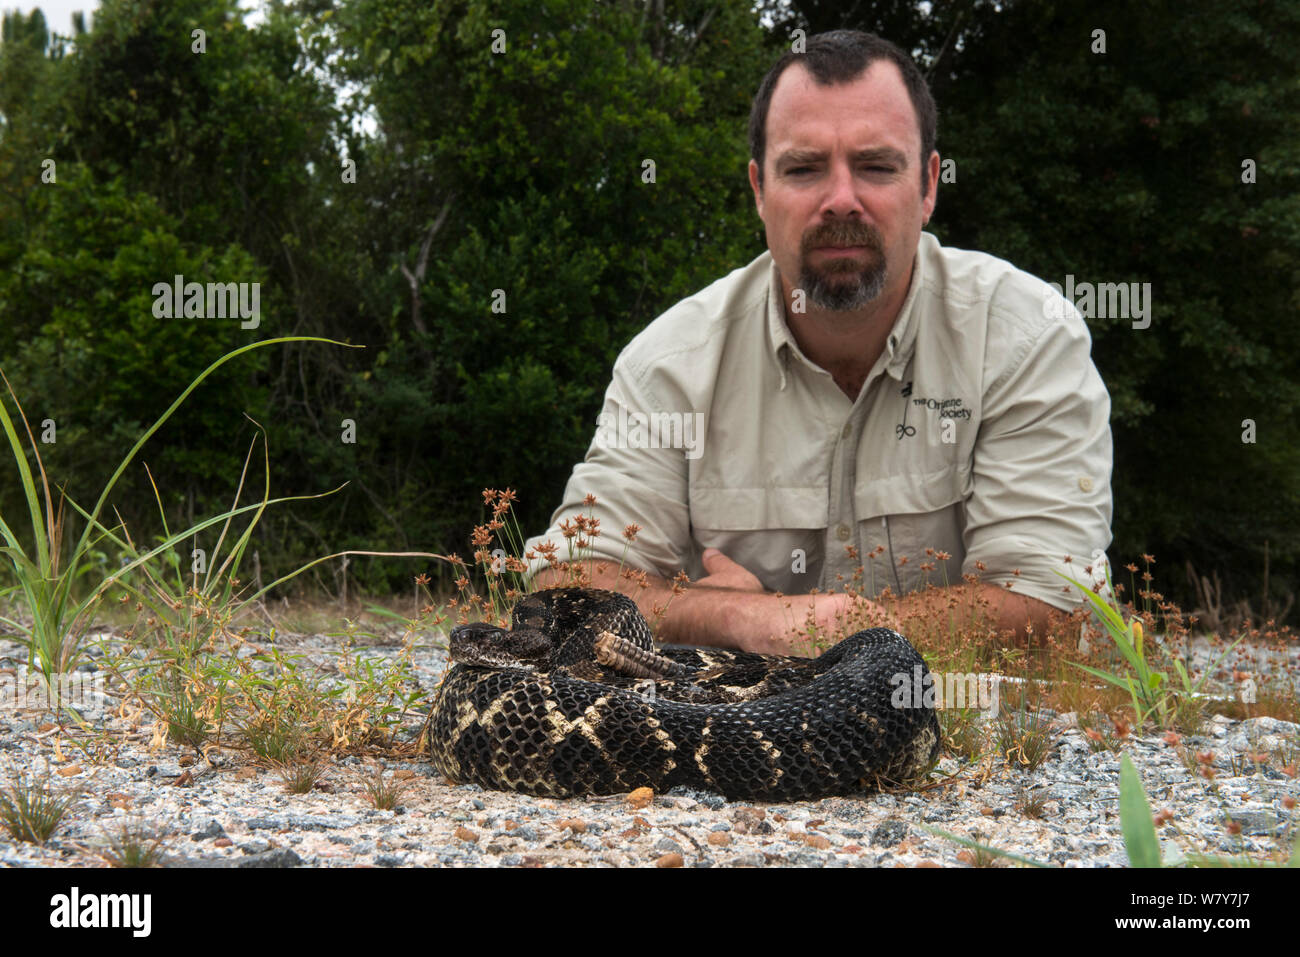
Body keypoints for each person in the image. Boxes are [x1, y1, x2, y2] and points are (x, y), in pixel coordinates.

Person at [522, 29, 1113, 654]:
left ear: (929, 186)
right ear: (758, 190)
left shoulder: (1028, 338)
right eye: (803, 169)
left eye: (876, 167)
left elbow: (1055, 601)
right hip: (731, 739)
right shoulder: (667, 367)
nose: (841, 201)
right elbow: (570, 585)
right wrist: (744, 620)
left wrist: (828, 634)